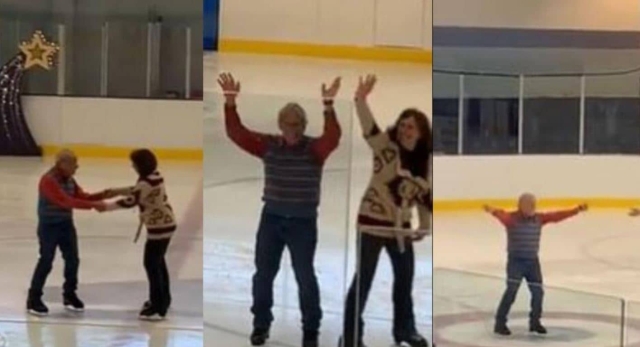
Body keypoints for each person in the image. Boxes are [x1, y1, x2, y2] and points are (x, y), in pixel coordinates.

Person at [218, 72, 342, 347]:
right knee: (263, 274)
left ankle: (311, 329)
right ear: (280, 124)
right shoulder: (269, 145)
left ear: (303, 124)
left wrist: (329, 106)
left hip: (302, 222)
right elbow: (237, 134)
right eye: (288, 124)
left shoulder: (314, 150)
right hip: (272, 218)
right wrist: (230, 102)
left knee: (304, 275)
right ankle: (261, 324)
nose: (292, 129)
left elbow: (332, 138)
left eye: (297, 124)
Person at [340, 75, 431, 347]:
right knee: (363, 281)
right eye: (403, 125)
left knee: (404, 280)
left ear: (421, 132)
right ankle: (351, 336)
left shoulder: (425, 161)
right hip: (371, 223)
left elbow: (425, 197)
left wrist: (424, 225)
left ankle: (405, 329)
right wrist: (360, 100)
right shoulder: (385, 147)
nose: (405, 130)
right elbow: (369, 127)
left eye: (411, 127)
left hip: (400, 228)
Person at [484, 194, 587, 336]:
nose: (532, 208)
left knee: (538, 293)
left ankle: (535, 322)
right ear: (520, 206)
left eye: (533, 205)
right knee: (511, 291)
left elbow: (556, 216)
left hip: (533, 262)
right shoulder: (512, 220)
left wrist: (576, 210)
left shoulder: (538, 219)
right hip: (516, 262)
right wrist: (492, 210)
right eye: (528, 205)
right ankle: (500, 323)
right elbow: (501, 215)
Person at [27, 149, 109, 316]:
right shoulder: (48, 181)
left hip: (66, 225)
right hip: (49, 227)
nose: (76, 168)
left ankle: (70, 294)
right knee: (46, 260)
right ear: (61, 164)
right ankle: (34, 298)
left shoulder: (70, 180)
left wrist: (105, 195)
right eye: (73, 164)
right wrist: (94, 205)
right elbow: (65, 201)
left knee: (72, 260)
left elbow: (82, 196)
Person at [100, 149, 177, 321]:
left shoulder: (145, 183)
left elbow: (132, 200)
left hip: (160, 227)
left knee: (151, 264)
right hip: (166, 223)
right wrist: (114, 191)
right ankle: (163, 299)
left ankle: (158, 307)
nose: (132, 166)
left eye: (134, 163)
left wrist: (105, 206)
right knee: (158, 263)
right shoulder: (154, 176)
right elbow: (136, 191)